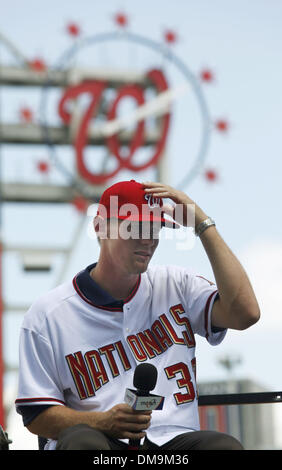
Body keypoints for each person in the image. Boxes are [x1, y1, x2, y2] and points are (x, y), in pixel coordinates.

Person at [15, 180, 260, 450]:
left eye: (155, 228)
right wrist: (102, 422)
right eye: (135, 227)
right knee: (83, 443)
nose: (148, 239)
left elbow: (245, 313)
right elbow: (36, 416)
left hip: (172, 443)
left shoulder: (177, 284)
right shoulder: (48, 314)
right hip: (101, 443)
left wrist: (202, 224)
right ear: (100, 226)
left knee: (222, 447)